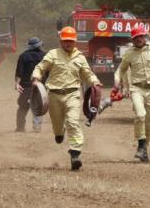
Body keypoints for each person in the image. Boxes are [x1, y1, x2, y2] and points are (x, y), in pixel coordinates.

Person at [32, 27, 101, 171]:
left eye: (70, 40)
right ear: (61, 41)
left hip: (73, 94)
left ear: (75, 41)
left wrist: (95, 81)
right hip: (54, 95)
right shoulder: (53, 54)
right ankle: (59, 133)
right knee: (57, 126)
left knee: (72, 121)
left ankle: (75, 153)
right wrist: (36, 78)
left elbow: (88, 74)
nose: (68, 43)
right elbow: (40, 67)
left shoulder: (80, 57)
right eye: (65, 41)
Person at [116, 25, 150, 162]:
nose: (139, 39)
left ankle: (144, 150)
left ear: (145, 36)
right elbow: (121, 70)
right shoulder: (129, 53)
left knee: (149, 122)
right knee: (140, 114)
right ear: (132, 39)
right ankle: (140, 146)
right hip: (136, 89)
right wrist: (118, 82)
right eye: (136, 37)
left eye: (141, 36)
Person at [15, 37, 46, 133]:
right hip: (40, 86)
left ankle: (20, 127)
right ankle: (37, 127)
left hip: (26, 86)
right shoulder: (45, 56)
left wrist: (17, 84)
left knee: (23, 106)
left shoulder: (23, 56)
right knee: (38, 106)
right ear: (39, 45)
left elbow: (19, 72)